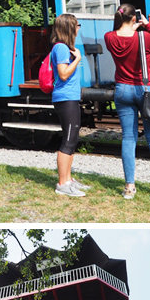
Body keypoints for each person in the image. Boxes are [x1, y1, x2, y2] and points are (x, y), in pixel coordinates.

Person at [104, 3, 150, 200]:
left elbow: (118, 34)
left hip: (123, 90)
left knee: (128, 138)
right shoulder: (145, 37)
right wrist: (148, 26)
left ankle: (129, 187)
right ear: (135, 18)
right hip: (146, 90)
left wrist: (129, 26)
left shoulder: (110, 38)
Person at [50, 13, 89, 198]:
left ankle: (69, 180)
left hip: (68, 98)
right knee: (67, 141)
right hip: (66, 99)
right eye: (76, 24)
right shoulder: (62, 49)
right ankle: (62, 183)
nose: (78, 28)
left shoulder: (63, 48)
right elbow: (63, 74)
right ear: (68, 27)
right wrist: (78, 60)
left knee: (72, 140)